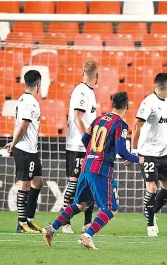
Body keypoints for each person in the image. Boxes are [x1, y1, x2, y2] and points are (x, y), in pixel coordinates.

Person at [42, 92, 144, 249]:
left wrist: (92, 153)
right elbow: (120, 149)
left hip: (86, 166)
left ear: (113, 104)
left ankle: (51, 228)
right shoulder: (120, 124)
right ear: (127, 106)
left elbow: (84, 138)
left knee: (80, 204)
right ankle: (87, 236)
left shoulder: (99, 119)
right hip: (101, 169)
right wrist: (137, 159)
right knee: (111, 208)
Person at [132, 73, 167, 237]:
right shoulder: (148, 102)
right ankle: (150, 224)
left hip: (164, 152)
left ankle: (149, 211)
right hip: (148, 153)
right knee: (152, 188)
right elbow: (136, 126)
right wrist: (134, 151)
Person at [4, 70, 44, 233]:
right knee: (25, 184)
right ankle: (22, 223)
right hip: (25, 149)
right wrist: (14, 143)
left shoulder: (22, 99)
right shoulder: (30, 102)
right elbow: (24, 125)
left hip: (30, 149)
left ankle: (29, 219)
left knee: (37, 182)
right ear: (39, 83)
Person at [63, 61, 99, 234]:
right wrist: (88, 141)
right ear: (96, 75)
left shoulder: (90, 92)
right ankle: (64, 222)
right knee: (74, 181)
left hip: (86, 145)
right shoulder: (81, 91)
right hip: (78, 145)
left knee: (90, 181)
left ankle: (87, 222)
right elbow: (77, 118)